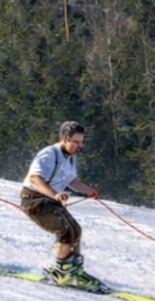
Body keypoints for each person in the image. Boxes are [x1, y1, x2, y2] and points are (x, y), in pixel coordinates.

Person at [20, 120, 103, 291]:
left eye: (82, 142)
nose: (80, 146)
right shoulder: (50, 153)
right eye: (76, 142)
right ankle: (62, 272)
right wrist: (55, 194)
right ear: (65, 138)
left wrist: (88, 190)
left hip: (50, 200)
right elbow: (35, 178)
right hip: (34, 199)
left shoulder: (70, 158)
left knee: (75, 230)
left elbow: (70, 180)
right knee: (64, 230)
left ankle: (74, 271)